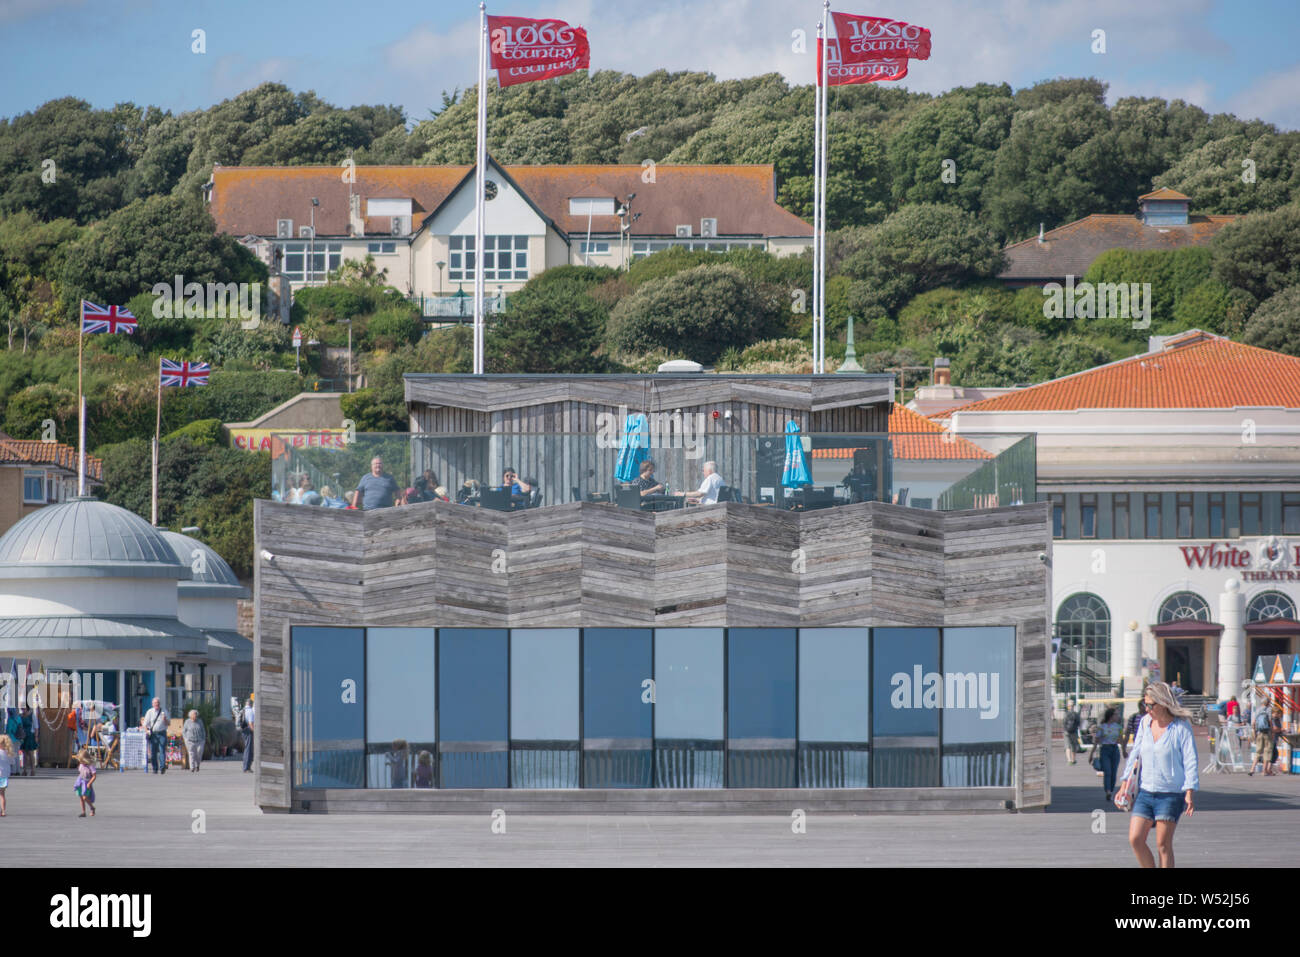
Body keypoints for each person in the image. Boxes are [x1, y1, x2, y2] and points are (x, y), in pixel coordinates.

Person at [1116, 681, 1198, 869]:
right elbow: (1135, 754)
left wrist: (1189, 791)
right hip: (1146, 792)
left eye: (1150, 705)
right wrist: (1124, 784)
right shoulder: (1145, 722)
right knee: (1135, 839)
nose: (1147, 709)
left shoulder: (1181, 727)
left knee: (1163, 845)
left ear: (1162, 703)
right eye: (1145, 704)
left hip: (1170, 794)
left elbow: (1190, 760)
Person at [1089, 707, 1123, 801]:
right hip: (1105, 750)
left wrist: (1123, 751)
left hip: (1115, 750)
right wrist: (1091, 754)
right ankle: (1108, 791)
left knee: (1114, 772)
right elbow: (1096, 741)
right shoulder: (1102, 727)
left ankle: (1110, 789)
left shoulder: (1118, 727)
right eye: (1116, 714)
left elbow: (1121, 740)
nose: (1118, 716)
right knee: (1107, 772)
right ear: (1111, 716)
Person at [143, 698, 169, 774]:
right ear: (152, 704)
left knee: (162, 750)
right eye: (155, 703)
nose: (156, 704)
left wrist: (165, 720)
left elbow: (168, 723)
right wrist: (147, 731)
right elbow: (145, 724)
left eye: (157, 703)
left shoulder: (164, 711)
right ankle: (155, 768)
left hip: (162, 733)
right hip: (153, 734)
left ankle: (162, 767)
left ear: (159, 703)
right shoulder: (150, 712)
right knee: (153, 752)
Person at [1248, 700, 1274, 775]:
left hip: (1259, 733)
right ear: (1268, 703)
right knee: (1267, 751)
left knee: (1258, 752)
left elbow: (1253, 723)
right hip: (1267, 733)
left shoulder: (1257, 710)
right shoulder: (1269, 709)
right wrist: (1272, 731)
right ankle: (1264, 771)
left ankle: (1252, 769)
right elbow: (1270, 721)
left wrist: (1254, 732)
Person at [73, 749, 96, 817]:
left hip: (87, 782)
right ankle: (83, 812)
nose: (81, 762)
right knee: (81, 797)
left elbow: (94, 776)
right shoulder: (81, 764)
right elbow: (81, 772)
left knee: (85, 797)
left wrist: (89, 783)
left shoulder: (90, 766)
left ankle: (92, 807)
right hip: (80, 781)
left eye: (82, 761)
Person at [17, 706, 36, 777]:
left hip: (30, 735)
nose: (23, 710)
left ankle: (33, 770)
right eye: (22, 709)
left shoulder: (31, 715)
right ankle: (24, 770)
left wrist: (36, 736)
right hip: (23, 736)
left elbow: (36, 726)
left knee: (31, 753)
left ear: (27, 709)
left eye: (24, 709)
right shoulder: (20, 716)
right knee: (24, 753)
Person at [1062, 698, 1082, 764]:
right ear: (1074, 706)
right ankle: (1073, 760)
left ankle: (1069, 760)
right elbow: (1079, 723)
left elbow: (1064, 723)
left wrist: (1065, 729)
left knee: (1067, 745)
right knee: (1073, 745)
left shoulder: (1065, 714)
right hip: (1074, 731)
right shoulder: (1076, 714)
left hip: (1066, 731)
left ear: (1068, 706)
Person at [240, 696, 255, 773]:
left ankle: (247, 767)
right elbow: (251, 724)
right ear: (251, 704)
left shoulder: (243, 710)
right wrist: (255, 732)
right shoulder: (250, 711)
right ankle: (246, 768)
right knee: (248, 750)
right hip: (249, 731)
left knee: (247, 749)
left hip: (243, 731)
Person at [0, 734, 13, 816]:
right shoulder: (9, 753)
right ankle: (3, 811)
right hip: (5, 776)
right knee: (2, 794)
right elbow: (12, 763)